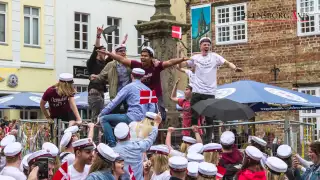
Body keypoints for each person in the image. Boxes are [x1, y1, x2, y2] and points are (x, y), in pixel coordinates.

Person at [97, 46, 190, 121]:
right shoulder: (137, 65)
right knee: (144, 118)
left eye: (145, 56)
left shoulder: (157, 66)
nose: (142, 57)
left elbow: (170, 62)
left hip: (155, 95)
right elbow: (122, 60)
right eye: (141, 55)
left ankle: (159, 139)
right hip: (143, 96)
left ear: (151, 57)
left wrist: (182, 59)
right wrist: (109, 54)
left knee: (158, 117)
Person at [178, 37, 242, 143]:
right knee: (194, 116)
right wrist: (180, 53)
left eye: (208, 44)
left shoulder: (215, 57)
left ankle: (208, 141)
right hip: (197, 91)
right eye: (205, 44)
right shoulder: (196, 58)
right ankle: (192, 140)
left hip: (210, 92)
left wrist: (234, 68)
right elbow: (181, 65)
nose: (207, 46)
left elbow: (226, 62)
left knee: (209, 119)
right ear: (200, 46)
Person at [98, 68, 156, 147]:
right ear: (142, 77)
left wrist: (101, 114)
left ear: (131, 76)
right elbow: (152, 109)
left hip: (131, 118)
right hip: (144, 122)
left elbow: (114, 102)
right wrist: (146, 121)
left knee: (104, 119)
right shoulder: (149, 90)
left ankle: (113, 145)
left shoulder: (128, 87)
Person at [112, 113, 161, 180]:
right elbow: (151, 139)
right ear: (129, 134)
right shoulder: (138, 146)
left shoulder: (113, 152)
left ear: (117, 137)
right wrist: (156, 124)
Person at [91, 40, 131, 114]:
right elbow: (101, 76)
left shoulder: (130, 64)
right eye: (120, 51)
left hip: (128, 94)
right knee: (114, 113)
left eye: (124, 51)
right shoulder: (110, 65)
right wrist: (94, 78)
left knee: (130, 113)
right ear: (116, 53)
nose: (123, 52)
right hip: (116, 94)